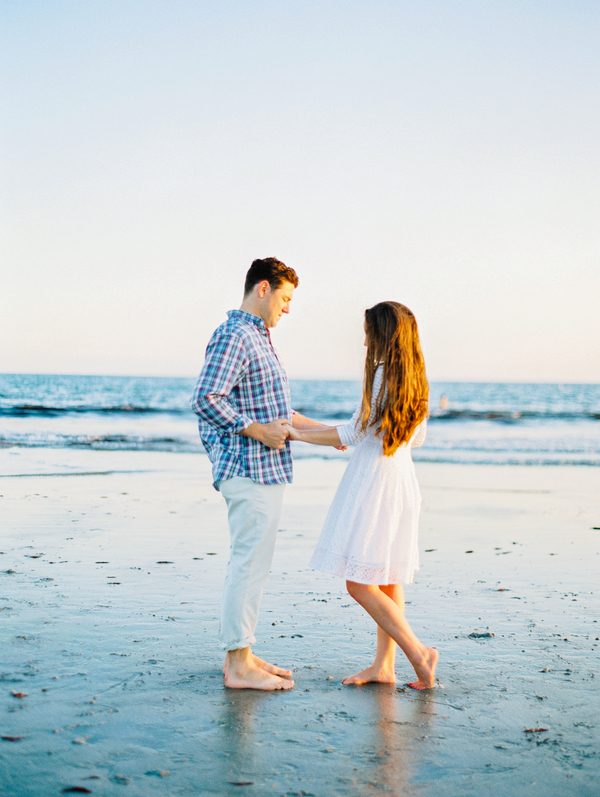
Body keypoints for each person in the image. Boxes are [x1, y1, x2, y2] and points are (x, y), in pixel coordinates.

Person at [190, 257, 330, 691]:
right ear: (263, 289)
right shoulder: (236, 334)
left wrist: (328, 433)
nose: (287, 309)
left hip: (264, 468)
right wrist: (255, 429)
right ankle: (237, 666)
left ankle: (243, 653)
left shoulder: (258, 338)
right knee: (249, 564)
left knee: (255, 564)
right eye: (285, 298)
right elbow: (205, 398)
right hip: (246, 466)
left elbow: (276, 413)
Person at [287, 301, 438, 690]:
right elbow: (416, 438)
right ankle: (384, 666)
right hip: (402, 476)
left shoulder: (384, 374)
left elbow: (353, 434)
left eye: (369, 331)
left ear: (383, 334)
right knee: (387, 576)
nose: (365, 339)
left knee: (359, 582)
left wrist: (298, 434)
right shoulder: (417, 379)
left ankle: (418, 652)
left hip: (375, 479)